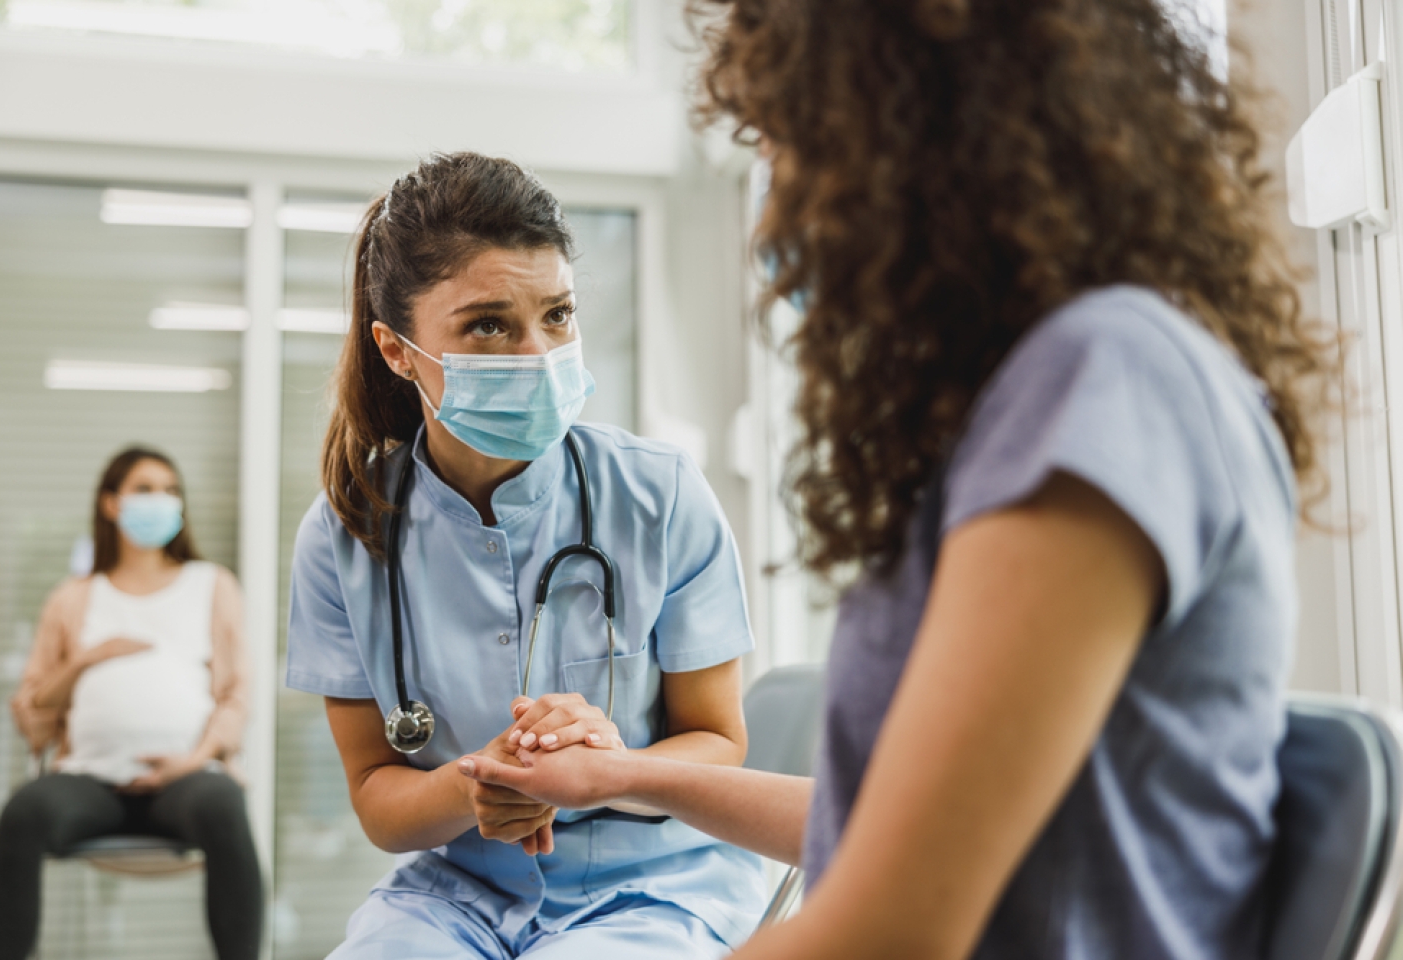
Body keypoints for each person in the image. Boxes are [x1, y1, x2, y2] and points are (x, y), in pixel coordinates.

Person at [457, 2, 1340, 959]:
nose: (777, 216)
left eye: (792, 145)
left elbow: (890, 928)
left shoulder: (1101, 386)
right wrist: (625, 776)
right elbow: (884, 834)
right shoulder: (1029, 407)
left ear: (915, 133)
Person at [284, 152, 766, 960]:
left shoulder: (661, 495)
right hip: (454, 897)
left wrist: (611, 767)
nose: (538, 353)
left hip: (653, 888)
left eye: (558, 316)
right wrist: (479, 784)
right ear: (397, 349)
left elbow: (718, 739)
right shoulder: (345, 533)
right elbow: (377, 797)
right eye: (488, 324)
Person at [0, 446, 263, 960]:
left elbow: (236, 695)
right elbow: (33, 709)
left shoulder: (211, 585)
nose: (162, 501)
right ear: (111, 503)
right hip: (92, 783)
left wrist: (193, 762)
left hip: (184, 783)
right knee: (24, 813)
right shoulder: (74, 597)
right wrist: (86, 661)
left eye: (171, 490)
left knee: (224, 805)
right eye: (145, 489)